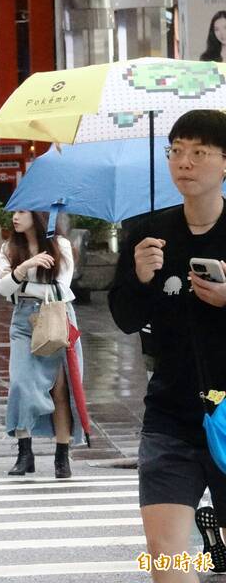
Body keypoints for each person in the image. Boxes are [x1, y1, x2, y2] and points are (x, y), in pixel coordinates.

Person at [109, 109, 226, 581]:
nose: (185, 162)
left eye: (199, 152)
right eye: (176, 151)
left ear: (224, 163)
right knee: (165, 554)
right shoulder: (147, 234)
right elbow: (123, 318)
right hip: (170, 414)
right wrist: (138, 278)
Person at [0, 210, 84, 478]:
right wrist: (25, 267)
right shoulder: (9, 247)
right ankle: (25, 454)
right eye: (14, 212)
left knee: (59, 389)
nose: (15, 217)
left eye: (22, 211)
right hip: (23, 320)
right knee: (21, 385)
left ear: (38, 215)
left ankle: (62, 456)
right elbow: (2, 288)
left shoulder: (61, 245)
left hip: (56, 317)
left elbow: (62, 287)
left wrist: (22, 282)